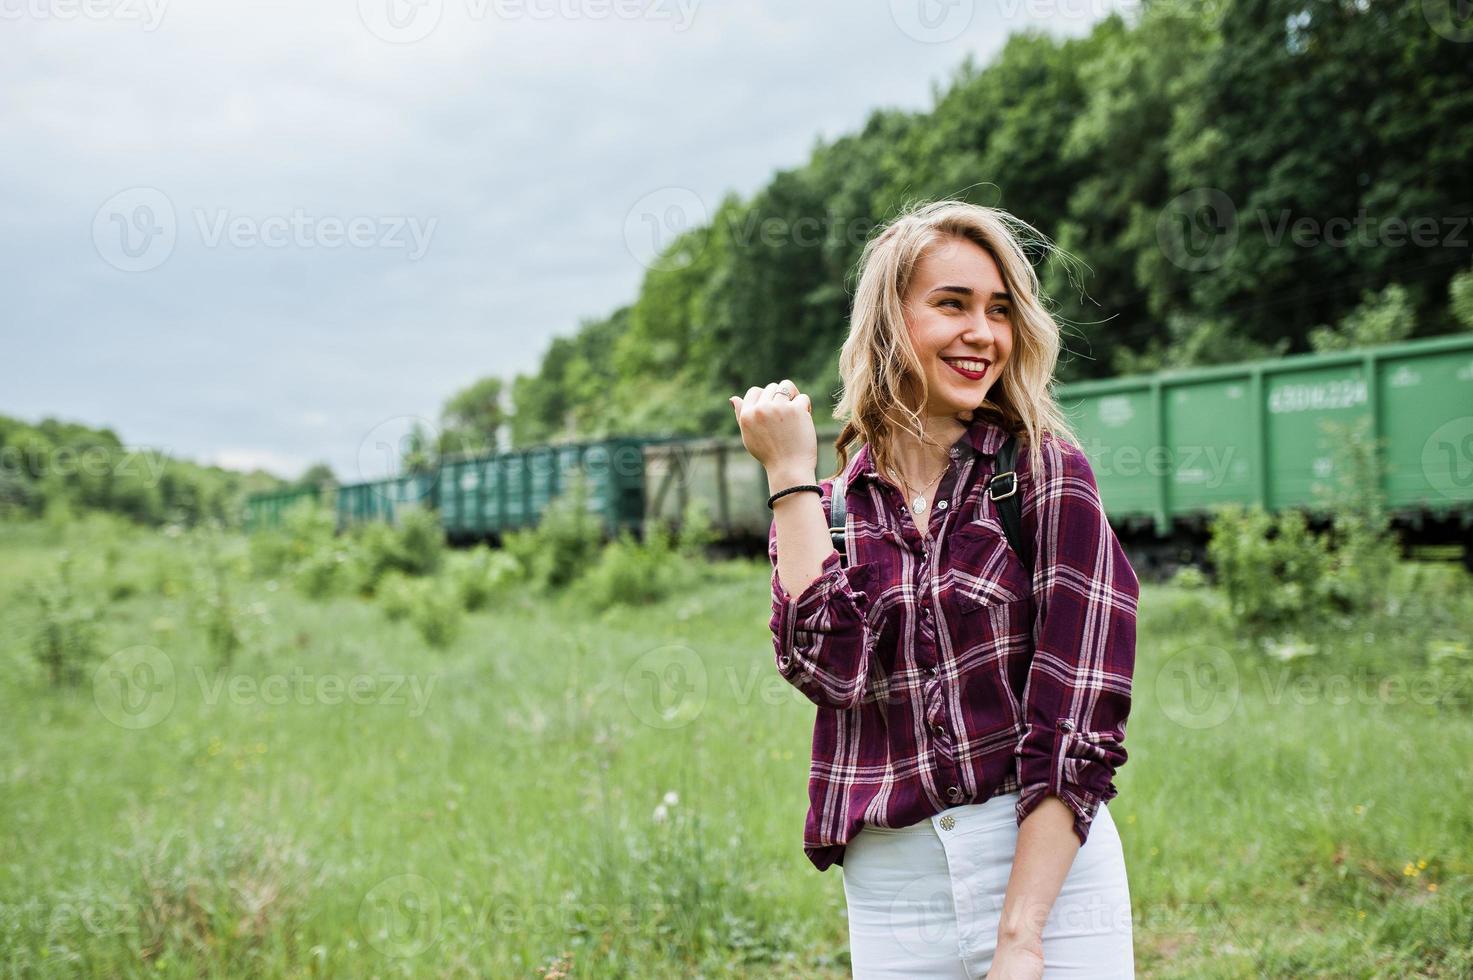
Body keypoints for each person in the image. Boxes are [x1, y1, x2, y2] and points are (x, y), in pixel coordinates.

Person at [729, 200, 1138, 978]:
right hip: (894, 886)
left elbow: (1078, 715)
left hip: (1045, 868)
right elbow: (830, 674)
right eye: (950, 304)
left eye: (998, 310)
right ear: (889, 322)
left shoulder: (1046, 475)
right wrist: (788, 476)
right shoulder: (832, 511)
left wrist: (1021, 935)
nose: (981, 332)